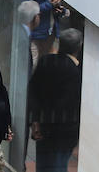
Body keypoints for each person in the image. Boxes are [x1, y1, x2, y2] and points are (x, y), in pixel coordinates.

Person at [30, 27, 83, 172]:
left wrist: (35, 121)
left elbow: (33, 92)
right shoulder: (75, 70)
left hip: (43, 126)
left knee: (42, 166)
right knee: (58, 166)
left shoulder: (45, 61)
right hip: (64, 131)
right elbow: (70, 102)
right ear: (78, 47)